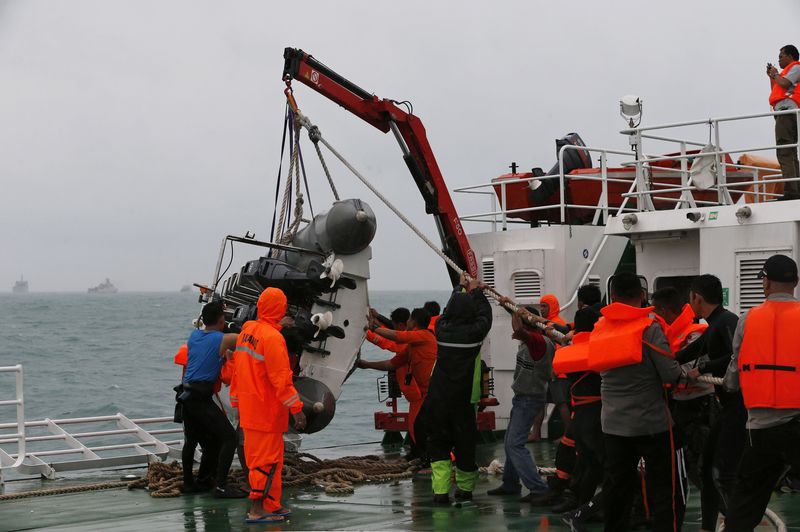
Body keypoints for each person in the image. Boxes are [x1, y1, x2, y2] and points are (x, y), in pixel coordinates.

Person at [598, 272, 686, 531]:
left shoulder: (601, 327)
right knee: (663, 490)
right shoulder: (649, 328)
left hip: (613, 425)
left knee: (617, 488)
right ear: (642, 295)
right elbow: (670, 374)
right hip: (651, 424)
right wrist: (685, 374)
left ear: (612, 298)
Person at [723, 254, 800, 531]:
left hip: (761, 430)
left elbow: (733, 374)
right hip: (798, 424)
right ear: (796, 283)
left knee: (745, 502)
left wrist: (729, 387)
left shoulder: (748, 319)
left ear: (766, 283)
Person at [232, 287, 306, 524]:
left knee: (266, 460)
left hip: (250, 408)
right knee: (265, 463)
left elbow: (237, 368)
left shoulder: (247, 331)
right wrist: (297, 409)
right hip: (266, 411)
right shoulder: (273, 339)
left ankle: (270, 505)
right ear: (281, 309)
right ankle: (257, 509)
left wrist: (235, 400)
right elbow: (281, 379)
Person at [677, 275, 744, 530]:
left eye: (690, 298)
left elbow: (735, 355)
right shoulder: (713, 324)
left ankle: (738, 523)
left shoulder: (726, 321)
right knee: (707, 471)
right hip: (727, 408)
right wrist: (662, 362)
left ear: (697, 298)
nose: (689, 303)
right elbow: (692, 352)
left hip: (739, 407)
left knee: (721, 473)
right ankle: (707, 527)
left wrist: (703, 367)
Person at [425, 273, 492, 504]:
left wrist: (460, 288)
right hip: (464, 399)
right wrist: (477, 291)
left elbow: (446, 313)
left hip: (438, 398)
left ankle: (440, 492)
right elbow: (486, 316)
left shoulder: (441, 329)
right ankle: (464, 490)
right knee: (464, 445)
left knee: (439, 444)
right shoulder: (474, 334)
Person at [487, 304, 555, 502]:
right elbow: (520, 327)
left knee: (514, 445)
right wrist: (508, 306)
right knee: (511, 442)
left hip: (528, 398)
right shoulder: (539, 338)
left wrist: (516, 314)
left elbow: (518, 330)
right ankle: (510, 483)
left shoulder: (537, 342)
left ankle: (538, 489)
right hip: (525, 398)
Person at [179, 302, 246, 498]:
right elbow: (246, 339)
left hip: (185, 395)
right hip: (200, 398)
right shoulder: (222, 339)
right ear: (221, 320)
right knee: (229, 437)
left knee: (192, 441)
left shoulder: (194, 336)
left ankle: (192, 483)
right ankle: (221, 487)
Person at [651, 287, 712, 494]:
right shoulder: (668, 334)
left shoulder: (694, 334)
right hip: (678, 404)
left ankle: (716, 503)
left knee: (698, 461)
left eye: (655, 312)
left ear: (665, 311)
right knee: (682, 459)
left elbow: (687, 371)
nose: (653, 317)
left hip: (698, 406)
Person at [360, 307, 437, 459]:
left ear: (413, 322)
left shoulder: (424, 336)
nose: (407, 321)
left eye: (409, 319)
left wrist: (373, 327)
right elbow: (391, 364)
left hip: (431, 393)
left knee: (420, 426)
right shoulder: (412, 346)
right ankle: (422, 457)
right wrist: (366, 364)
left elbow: (397, 336)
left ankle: (432, 459)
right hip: (421, 394)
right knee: (414, 426)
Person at [768, 44, 800, 200]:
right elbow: (776, 89)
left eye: (781, 56)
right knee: (790, 152)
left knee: (785, 150)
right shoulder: (785, 73)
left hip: (787, 113)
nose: (779, 59)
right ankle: (795, 190)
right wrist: (772, 77)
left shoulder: (796, 68)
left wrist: (775, 75)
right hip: (785, 113)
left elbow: (784, 84)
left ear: (791, 56)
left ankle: (792, 192)